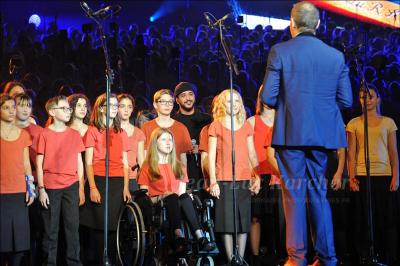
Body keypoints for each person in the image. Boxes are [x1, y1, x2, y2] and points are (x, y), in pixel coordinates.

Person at [261, 2, 353, 265]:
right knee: (318, 194)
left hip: (291, 134)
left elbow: (267, 97)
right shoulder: (335, 56)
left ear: (292, 23)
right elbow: (346, 100)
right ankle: (327, 257)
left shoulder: (280, 51)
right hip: (323, 137)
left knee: (294, 195)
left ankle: (297, 258)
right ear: (318, 24)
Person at [137, 128, 214, 254]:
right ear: (155, 143)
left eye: (170, 140)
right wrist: (162, 196)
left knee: (183, 196)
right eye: (164, 139)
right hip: (158, 207)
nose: (168, 143)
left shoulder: (179, 166)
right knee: (172, 197)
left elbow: (181, 192)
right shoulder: (147, 167)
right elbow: (143, 198)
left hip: (179, 205)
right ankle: (178, 236)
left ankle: (201, 237)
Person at [347, 86, 399, 264]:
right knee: (363, 218)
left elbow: (393, 152)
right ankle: (365, 255)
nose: (367, 100)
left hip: (384, 174)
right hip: (362, 174)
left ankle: (387, 255)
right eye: (363, 97)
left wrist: (396, 176)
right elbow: (351, 154)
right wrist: (352, 176)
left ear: (378, 99)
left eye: (370, 96)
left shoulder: (388, 122)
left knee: (385, 217)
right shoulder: (354, 123)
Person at [208, 89, 261, 263]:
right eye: (230, 101)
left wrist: (257, 175)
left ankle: (240, 257)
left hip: (243, 178)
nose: (234, 105)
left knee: (243, 220)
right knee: (227, 222)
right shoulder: (215, 125)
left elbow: (252, 153)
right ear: (223, 104)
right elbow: (211, 154)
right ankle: (231, 258)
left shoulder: (246, 125)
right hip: (223, 179)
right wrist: (213, 182)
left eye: (237, 101)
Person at [79, 93, 131, 265]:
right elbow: (88, 162)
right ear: (101, 108)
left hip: (117, 182)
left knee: (114, 226)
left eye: (117, 105)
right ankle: (100, 260)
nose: (116, 108)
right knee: (99, 225)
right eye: (112, 105)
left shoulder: (121, 132)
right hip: (100, 179)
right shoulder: (92, 130)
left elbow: (125, 163)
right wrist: (92, 187)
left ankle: (113, 260)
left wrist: (125, 187)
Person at [36, 95, 85, 266]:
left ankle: (74, 262)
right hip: (50, 186)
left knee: (72, 229)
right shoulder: (44, 133)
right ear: (52, 112)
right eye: (64, 108)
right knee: (51, 230)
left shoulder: (74, 134)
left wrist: (80, 187)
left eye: (69, 109)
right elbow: (39, 162)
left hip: (71, 185)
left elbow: (79, 161)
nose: (68, 112)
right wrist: (41, 189)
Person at [247, 89, 283, 266]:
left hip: (279, 173)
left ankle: (280, 252)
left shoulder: (283, 119)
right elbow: (247, 151)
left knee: (279, 216)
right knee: (256, 216)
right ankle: (255, 256)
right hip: (259, 174)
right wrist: (253, 174)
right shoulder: (252, 121)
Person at [0, 93, 35, 266]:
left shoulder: (23, 135)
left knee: (19, 243)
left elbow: (26, 164)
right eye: (6, 108)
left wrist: (31, 189)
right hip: (1, 193)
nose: (11, 111)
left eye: (13, 107)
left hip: (18, 192)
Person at [14, 92, 44, 265]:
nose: (25, 109)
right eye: (21, 105)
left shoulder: (39, 131)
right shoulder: (8, 129)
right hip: (14, 185)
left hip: (35, 184)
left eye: (28, 105)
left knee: (35, 230)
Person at [173, 82, 212, 189]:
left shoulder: (207, 120)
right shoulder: (173, 121)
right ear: (177, 100)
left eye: (190, 94)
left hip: (203, 171)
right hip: (180, 171)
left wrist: (200, 148)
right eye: (183, 95)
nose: (188, 98)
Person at [141, 89, 192, 169]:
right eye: (163, 101)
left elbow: (183, 159)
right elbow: (144, 156)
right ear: (155, 104)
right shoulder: (146, 127)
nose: (167, 105)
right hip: (154, 175)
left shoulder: (181, 128)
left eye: (170, 102)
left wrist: (183, 178)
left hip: (175, 175)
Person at [118, 93, 145, 192]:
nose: (126, 110)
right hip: (115, 177)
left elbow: (141, 161)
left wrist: (144, 183)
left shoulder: (138, 133)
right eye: (122, 106)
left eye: (129, 107)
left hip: (132, 178)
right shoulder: (111, 131)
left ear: (132, 109)